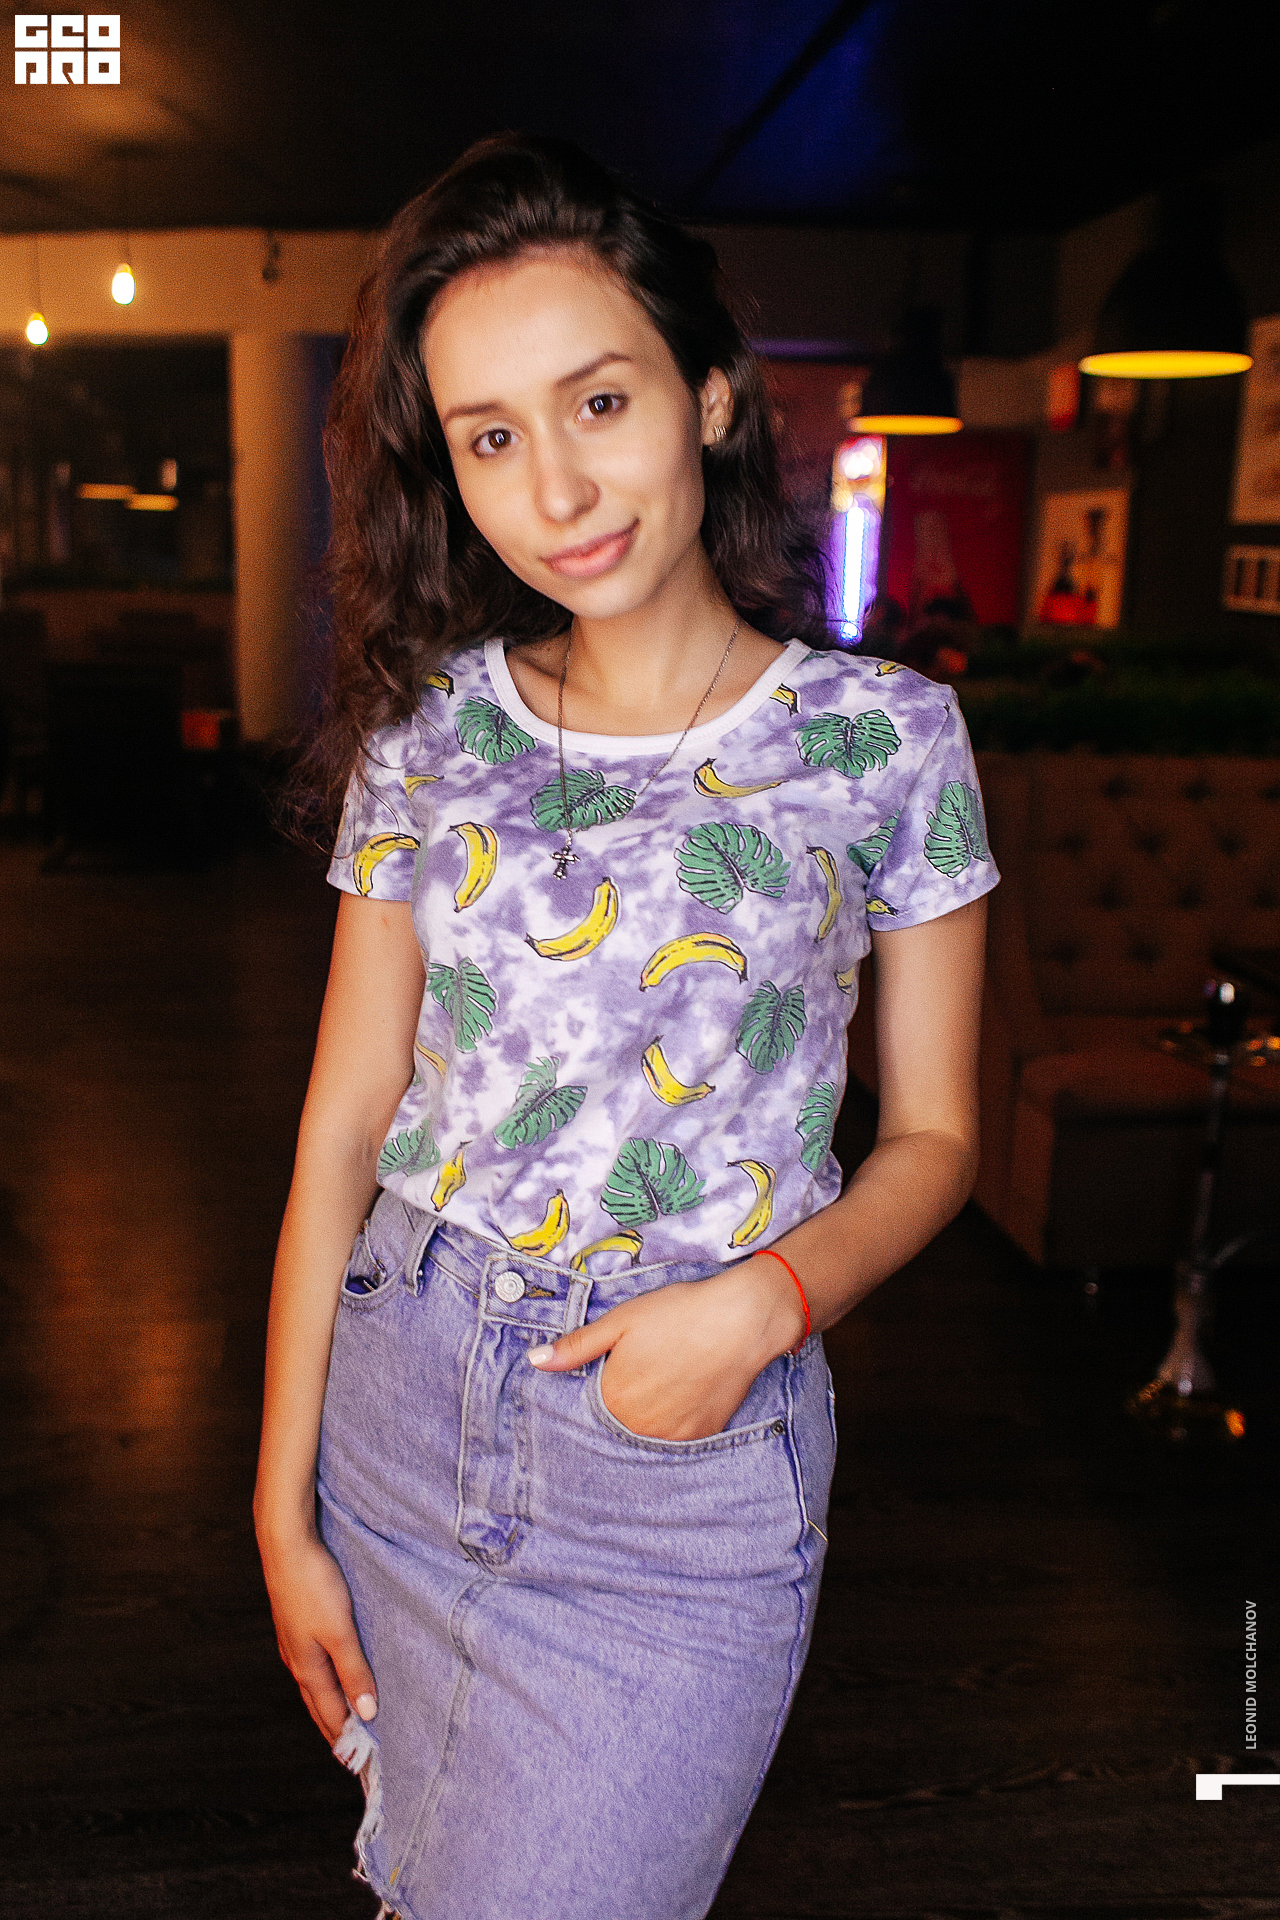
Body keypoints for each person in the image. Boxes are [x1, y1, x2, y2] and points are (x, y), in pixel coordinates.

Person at [254, 133, 998, 1920]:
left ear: (711, 396)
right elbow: (344, 1126)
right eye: (491, 438)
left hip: (683, 1454)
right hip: (404, 1396)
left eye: (599, 401)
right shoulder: (432, 732)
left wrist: (769, 1303)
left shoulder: (885, 739)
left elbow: (938, 1139)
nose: (559, 488)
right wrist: (278, 1506)